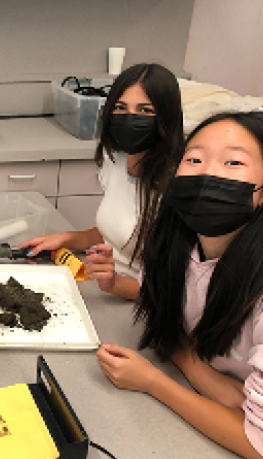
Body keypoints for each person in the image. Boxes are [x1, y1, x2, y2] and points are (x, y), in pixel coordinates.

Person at [96, 112, 263, 459]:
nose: (207, 174)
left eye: (233, 162)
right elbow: (159, 310)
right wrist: (199, 371)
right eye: (195, 159)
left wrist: (154, 381)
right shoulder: (174, 244)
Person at [20, 63, 184, 300]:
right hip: (103, 286)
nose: (130, 119)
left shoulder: (176, 187)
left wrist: (115, 284)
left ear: (166, 118)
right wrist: (65, 238)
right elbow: (114, 233)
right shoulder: (115, 160)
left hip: (143, 305)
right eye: (120, 107)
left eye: (145, 111)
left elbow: (174, 296)